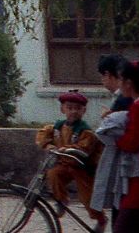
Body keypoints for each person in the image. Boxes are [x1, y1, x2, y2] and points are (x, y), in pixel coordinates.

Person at [38, 90, 104, 224]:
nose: (73, 111)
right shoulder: (57, 127)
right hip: (64, 164)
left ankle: (100, 219)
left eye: (78, 108)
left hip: (83, 167)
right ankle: (62, 199)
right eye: (69, 108)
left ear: (83, 111)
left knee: (87, 197)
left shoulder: (85, 130)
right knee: (53, 174)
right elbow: (43, 135)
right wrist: (48, 145)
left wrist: (70, 149)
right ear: (62, 109)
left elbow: (85, 147)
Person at [108, 60, 139, 233]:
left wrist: (116, 139)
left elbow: (132, 142)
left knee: (122, 232)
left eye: (121, 80)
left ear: (129, 83)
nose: (119, 85)